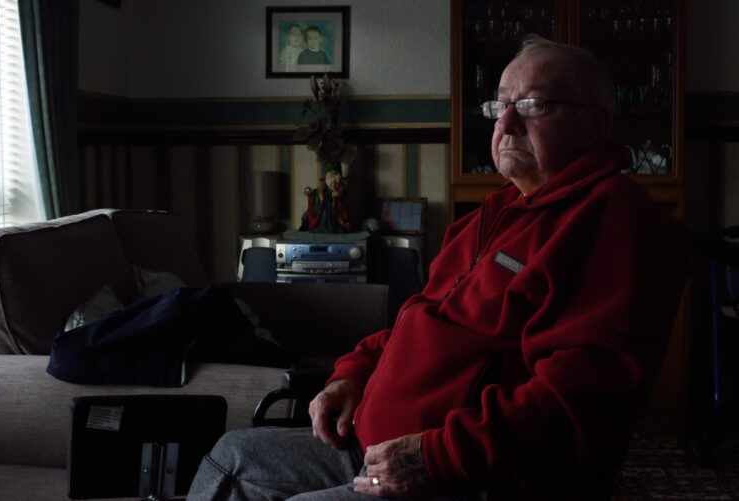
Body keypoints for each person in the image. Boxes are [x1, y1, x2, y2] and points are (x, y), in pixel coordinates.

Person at [187, 35, 688, 500]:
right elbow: (417, 323)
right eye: (500, 105)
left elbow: (580, 395)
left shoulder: (614, 219)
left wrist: (436, 456)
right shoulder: (492, 215)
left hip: (466, 473)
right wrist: (352, 377)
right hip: (376, 446)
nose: (507, 124)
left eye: (534, 106)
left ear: (597, 125)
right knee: (231, 455)